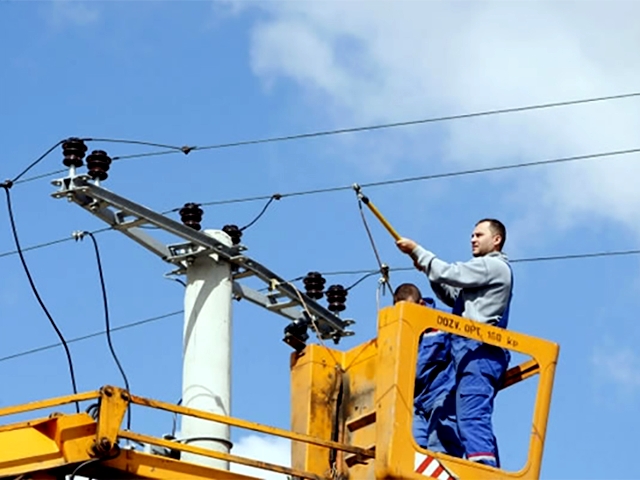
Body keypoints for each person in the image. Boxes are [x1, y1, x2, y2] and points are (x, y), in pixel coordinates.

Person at [396, 218, 513, 468]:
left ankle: (483, 473)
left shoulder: (493, 266)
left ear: (496, 240)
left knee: (471, 418)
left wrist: (418, 252)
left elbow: (452, 273)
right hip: (468, 353)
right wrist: (429, 271)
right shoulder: (483, 273)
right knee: (465, 418)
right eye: (472, 235)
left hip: (481, 351)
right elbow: (452, 294)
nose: (473, 239)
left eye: (479, 235)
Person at [393, 283, 463, 458]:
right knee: (412, 451)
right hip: (416, 401)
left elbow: (466, 350)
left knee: (440, 445)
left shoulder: (445, 321)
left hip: (444, 394)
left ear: (422, 304)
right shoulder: (398, 330)